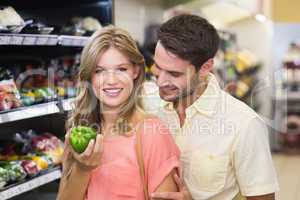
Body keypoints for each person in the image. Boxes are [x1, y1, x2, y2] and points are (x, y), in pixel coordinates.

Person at [147, 14, 279, 200]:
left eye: (174, 74)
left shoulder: (244, 125)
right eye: (158, 68)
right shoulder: (147, 105)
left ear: (205, 68)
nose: (161, 81)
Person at [57, 26, 180, 200]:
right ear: (89, 76)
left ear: (135, 71)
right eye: (99, 71)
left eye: (122, 69)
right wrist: (83, 169)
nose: (112, 81)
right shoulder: (80, 130)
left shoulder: (151, 133)